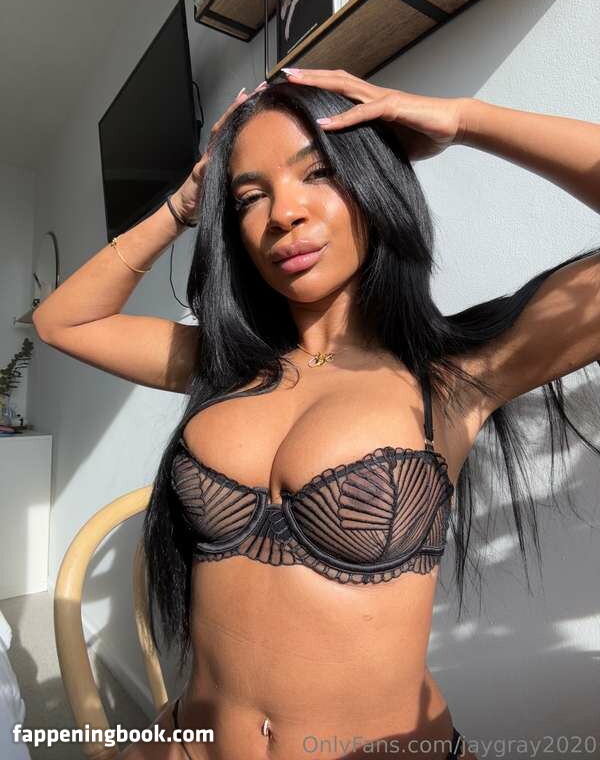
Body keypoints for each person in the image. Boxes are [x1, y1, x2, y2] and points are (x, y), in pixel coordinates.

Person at [32, 69, 600, 759]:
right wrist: (186, 202)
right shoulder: (226, 363)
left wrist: (464, 119)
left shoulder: (457, 376)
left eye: (319, 173)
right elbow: (63, 321)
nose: (284, 214)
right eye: (250, 197)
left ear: (371, 184)